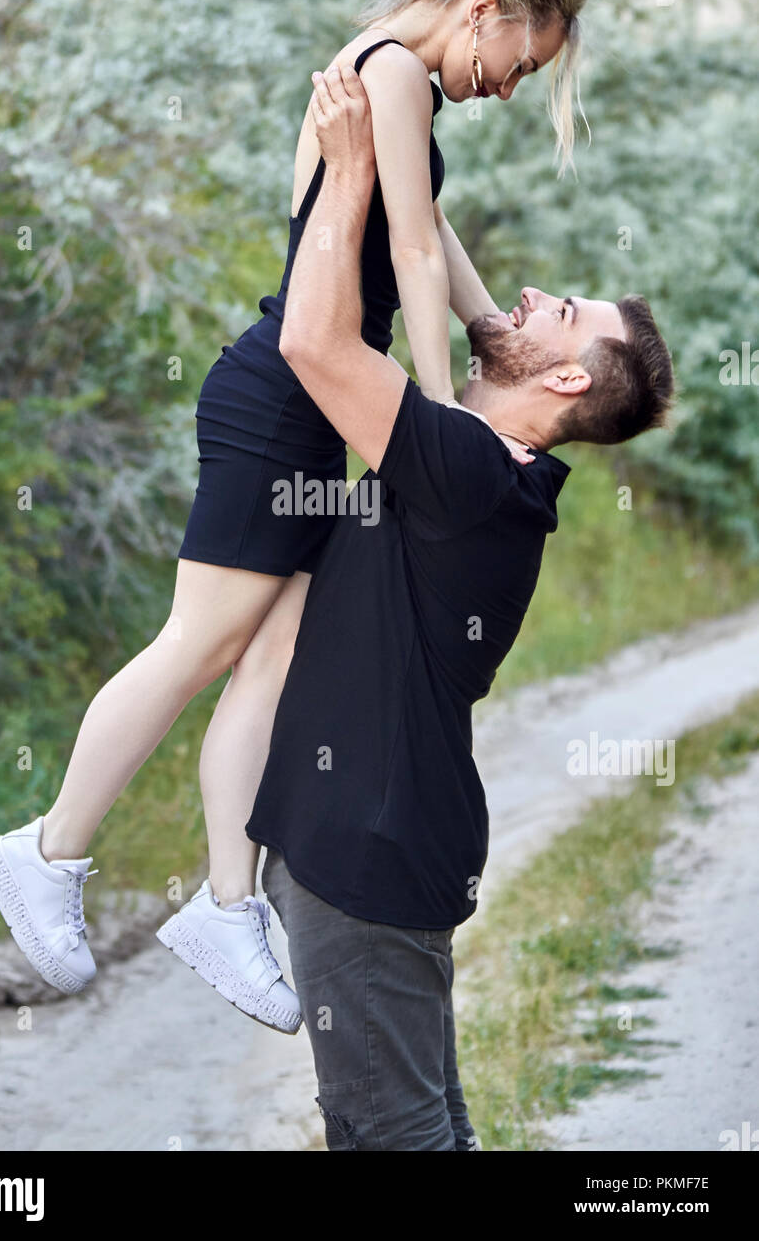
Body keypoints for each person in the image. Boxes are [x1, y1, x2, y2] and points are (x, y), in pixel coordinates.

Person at [0, 0, 590, 1031]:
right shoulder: (394, 73)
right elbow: (400, 241)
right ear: (478, 9)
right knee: (201, 642)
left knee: (271, 653)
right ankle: (46, 849)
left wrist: (486, 326)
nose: (510, 87)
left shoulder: (395, 78)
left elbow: (430, 228)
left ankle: (222, 898)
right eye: (519, 61)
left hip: (312, 404)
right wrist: (429, 411)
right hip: (279, 398)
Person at [242, 62, 674, 1148]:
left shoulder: (470, 472)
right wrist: (390, 144)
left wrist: (346, 178)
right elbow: (424, 230)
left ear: (567, 382)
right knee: (422, 1126)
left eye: (561, 312)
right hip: (387, 841)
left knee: (392, 1134)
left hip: (367, 849)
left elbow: (309, 345)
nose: (530, 295)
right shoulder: (491, 469)